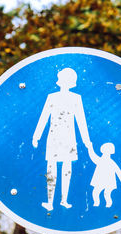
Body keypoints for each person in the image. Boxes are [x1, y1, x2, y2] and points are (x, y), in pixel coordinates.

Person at [33, 68, 92, 211]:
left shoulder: (76, 98)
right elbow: (44, 117)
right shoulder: (52, 97)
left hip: (69, 138)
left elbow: (81, 120)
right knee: (51, 169)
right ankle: (50, 202)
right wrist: (36, 135)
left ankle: (64, 200)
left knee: (67, 168)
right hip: (53, 136)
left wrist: (86, 140)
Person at [88, 143, 121, 208]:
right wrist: (90, 148)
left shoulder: (110, 162)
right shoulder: (101, 160)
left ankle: (107, 205)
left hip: (109, 181)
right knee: (96, 192)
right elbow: (93, 156)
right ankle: (97, 204)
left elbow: (118, 172)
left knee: (106, 194)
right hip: (101, 181)